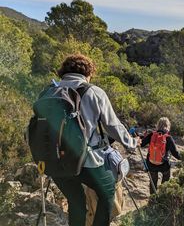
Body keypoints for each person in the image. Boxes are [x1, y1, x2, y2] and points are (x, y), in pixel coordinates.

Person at [51, 54, 139, 226]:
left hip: (54, 161)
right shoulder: (93, 92)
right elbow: (113, 126)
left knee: (76, 202)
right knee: (107, 194)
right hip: (85, 161)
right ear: (87, 72)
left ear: (64, 72)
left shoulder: (49, 91)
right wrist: (131, 143)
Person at [141, 117, 181, 194]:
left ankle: (153, 199)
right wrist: (182, 158)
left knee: (153, 181)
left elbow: (142, 144)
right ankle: (162, 195)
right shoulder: (168, 137)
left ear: (158, 125)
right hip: (164, 164)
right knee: (166, 180)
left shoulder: (152, 134)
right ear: (168, 125)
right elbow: (175, 153)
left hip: (151, 163)